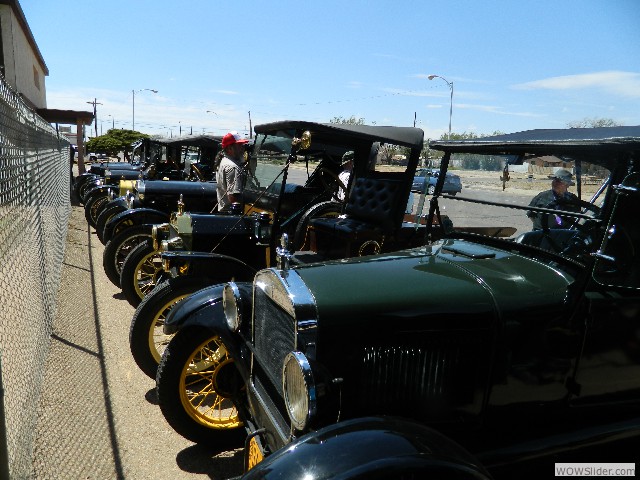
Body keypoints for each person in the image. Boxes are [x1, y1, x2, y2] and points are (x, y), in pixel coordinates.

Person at [216, 131, 249, 211]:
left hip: (225, 213)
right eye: (239, 146)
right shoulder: (232, 167)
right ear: (230, 148)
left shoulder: (224, 161)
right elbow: (234, 197)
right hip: (232, 214)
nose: (243, 148)